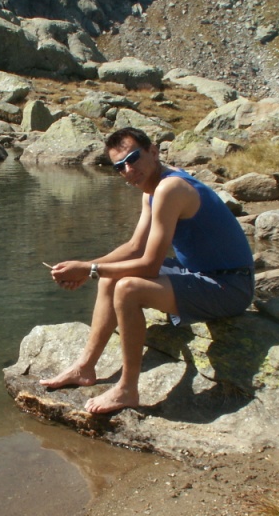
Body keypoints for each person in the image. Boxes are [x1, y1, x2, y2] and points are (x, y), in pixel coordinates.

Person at [41, 127, 255, 414]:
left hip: (230, 286)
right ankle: (84, 367)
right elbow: (134, 247)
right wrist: (85, 269)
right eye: (119, 166)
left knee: (128, 289)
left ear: (153, 152)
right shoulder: (153, 189)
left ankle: (127, 389)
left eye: (133, 159)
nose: (128, 170)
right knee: (110, 278)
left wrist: (89, 269)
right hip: (199, 273)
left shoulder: (170, 188)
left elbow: (150, 264)